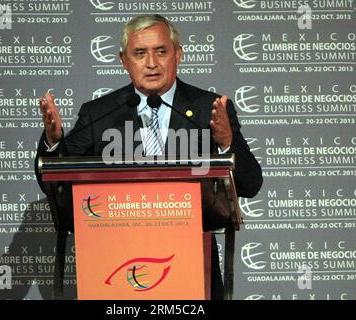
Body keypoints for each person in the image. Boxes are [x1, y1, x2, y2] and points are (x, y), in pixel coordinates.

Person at [36, 14, 262, 300]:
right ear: (123, 60)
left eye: (161, 51)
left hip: (193, 266)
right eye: (140, 53)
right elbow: (53, 184)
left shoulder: (209, 109)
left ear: (177, 55)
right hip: (116, 266)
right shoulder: (99, 113)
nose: (152, 63)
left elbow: (251, 183)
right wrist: (55, 143)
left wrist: (226, 142)